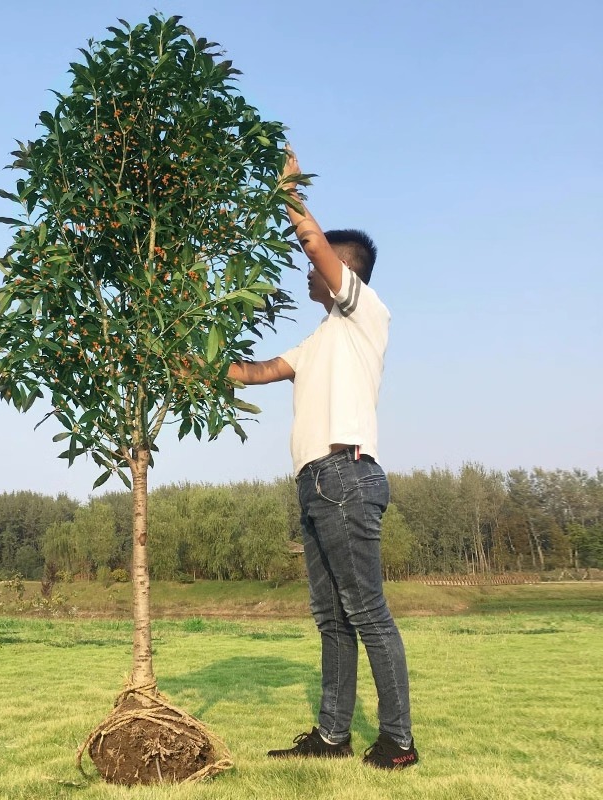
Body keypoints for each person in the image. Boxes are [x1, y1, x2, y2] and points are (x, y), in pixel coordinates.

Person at [226, 147, 418, 770]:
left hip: (347, 477)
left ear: (346, 268)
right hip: (315, 484)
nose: (306, 274)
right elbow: (254, 373)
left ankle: (398, 741)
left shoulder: (366, 313)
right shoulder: (317, 340)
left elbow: (313, 243)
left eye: (319, 266)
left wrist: (290, 192)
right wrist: (190, 361)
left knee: (366, 612)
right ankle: (333, 737)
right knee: (332, 620)